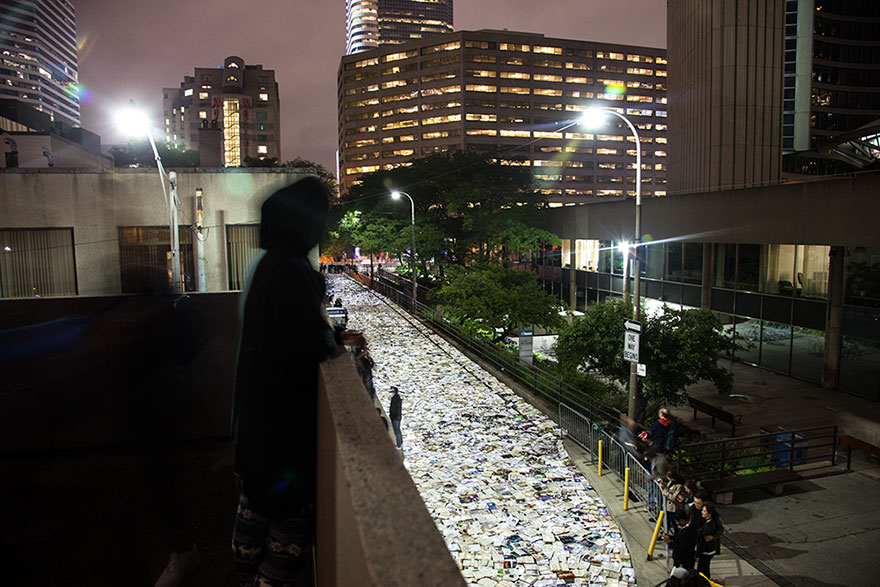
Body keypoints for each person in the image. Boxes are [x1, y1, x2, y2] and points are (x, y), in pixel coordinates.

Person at [230, 176, 366, 587]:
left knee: (250, 526)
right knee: (284, 547)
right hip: (286, 434)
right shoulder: (293, 272)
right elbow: (311, 345)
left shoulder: (265, 266)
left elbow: (281, 334)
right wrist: (340, 345)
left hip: (256, 429)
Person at [695, 502, 722, 579]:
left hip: (707, 550)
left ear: (709, 514)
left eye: (704, 511)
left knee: (703, 568)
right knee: (704, 567)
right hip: (708, 550)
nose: (702, 512)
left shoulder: (710, 525)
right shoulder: (708, 522)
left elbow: (703, 540)